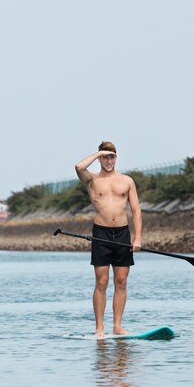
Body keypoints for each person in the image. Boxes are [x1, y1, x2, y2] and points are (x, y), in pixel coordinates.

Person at [75, 141, 142, 338]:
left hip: (122, 234)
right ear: (100, 158)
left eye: (112, 156)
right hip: (101, 234)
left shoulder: (127, 181)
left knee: (121, 281)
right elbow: (79, 167)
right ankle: (99, 329)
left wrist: (138, 238)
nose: (109, 160)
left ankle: (117, 326)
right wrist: (98, 153)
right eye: (105, 157)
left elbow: (136, 210)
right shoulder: (92, 180)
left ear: (116, 157)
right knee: (101, 282)